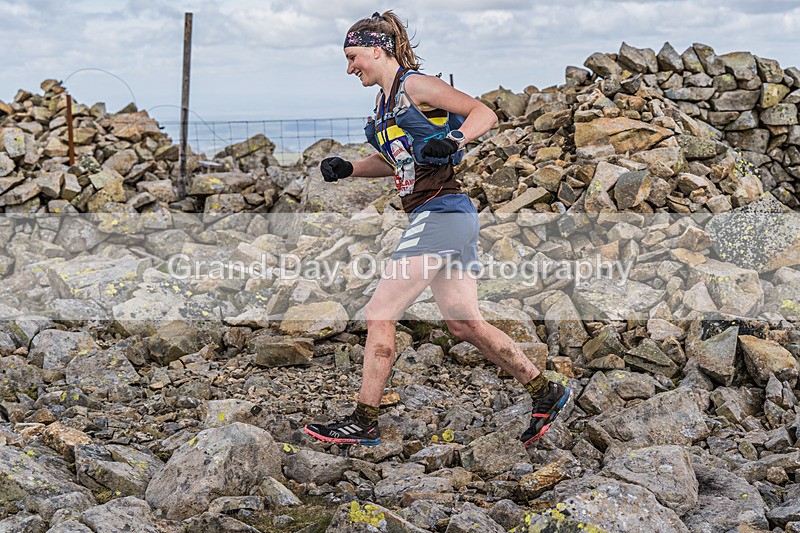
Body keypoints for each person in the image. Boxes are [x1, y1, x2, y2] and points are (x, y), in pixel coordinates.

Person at [304, 10, 570, 448]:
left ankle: (364, 419)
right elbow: (397, 161)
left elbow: (484, 113)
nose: (350, 67)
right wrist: (349, 168)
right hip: (451, 216)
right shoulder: (384, 103)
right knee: (465, 324)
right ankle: (545, 391)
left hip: (440, 212)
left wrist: (457, 139)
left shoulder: (415, 85)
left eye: (353, 56)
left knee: (379, 312)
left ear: (377, 49)